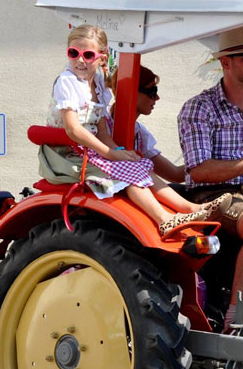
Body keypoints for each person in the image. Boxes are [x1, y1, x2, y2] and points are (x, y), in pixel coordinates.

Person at [45, 25, 228, 236]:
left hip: (89, 149)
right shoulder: (68, 82)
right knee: (128, 172)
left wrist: (119, 152)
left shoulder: (96, 83)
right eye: (73, 53)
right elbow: (74, 129)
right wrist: (111, 154)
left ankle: (191, 209)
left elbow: (102, 131)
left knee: (136, 164)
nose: (80, 60)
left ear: (102, 59)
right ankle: (165, 219)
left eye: (88, 55)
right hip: (68, 154)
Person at [178, 25, 243, 335]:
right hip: (211, 196)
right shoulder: (199, 107)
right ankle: (238, 317)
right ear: (225, 63)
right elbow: (198, 171)